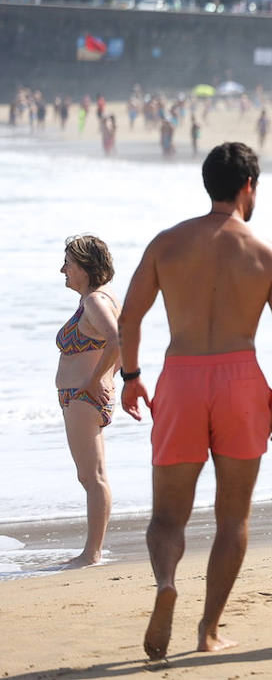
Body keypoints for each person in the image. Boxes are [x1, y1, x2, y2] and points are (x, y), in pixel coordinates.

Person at [118, 142, 272, 658]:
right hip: (241, 383)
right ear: (249, 186)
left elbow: (128, 318)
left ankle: (165, 584)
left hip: (179, 380)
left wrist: (131, 376)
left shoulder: (167, 244)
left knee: (167, 518)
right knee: (233, 518)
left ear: (209, 183)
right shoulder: (268, 254)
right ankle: (209, 630)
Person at [55, 235, 122, 567]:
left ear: (85, 266)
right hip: (83, 396)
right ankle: (91, 550)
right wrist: (108, 379)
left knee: (92, 477)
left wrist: (96, 381)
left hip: (84, 397)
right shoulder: (98, 299)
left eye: (68, 262)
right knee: (90, 476)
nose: (63, 269)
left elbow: (119, 339)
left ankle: (91, 553)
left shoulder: (96, 300)